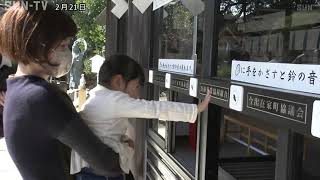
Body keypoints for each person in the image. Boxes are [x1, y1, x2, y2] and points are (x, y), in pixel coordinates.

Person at [0, 2, 121, 180]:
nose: (68, 52)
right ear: (37, 45)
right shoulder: (43, 96)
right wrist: (125, 152)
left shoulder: (15, 90)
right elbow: (105, 163)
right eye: (63, 46)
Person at [70, 55, 211, 180]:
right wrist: (196, 109)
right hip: (100, 174)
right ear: (118, 81)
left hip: (87, 170)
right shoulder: (114, 99)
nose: (138, 95)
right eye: (136, 86)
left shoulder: (96, 96)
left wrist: (125, 143)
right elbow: (154, 109)